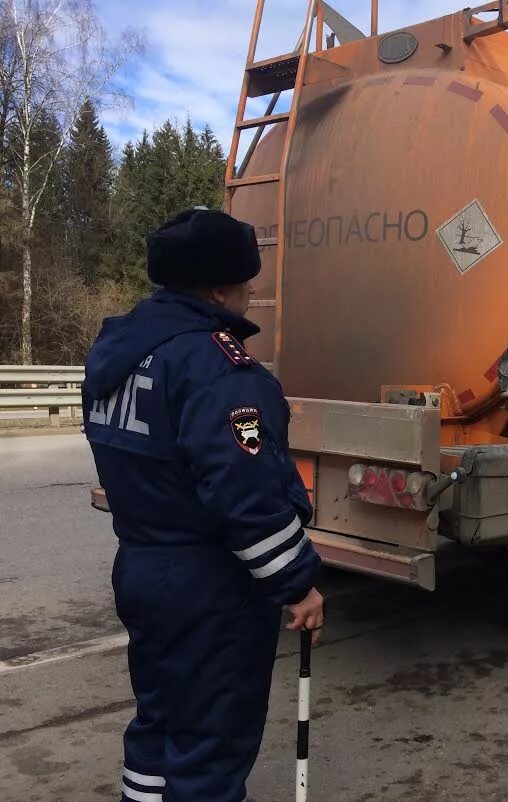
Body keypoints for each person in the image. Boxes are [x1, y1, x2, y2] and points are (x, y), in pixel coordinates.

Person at [82, 208, 324, 802]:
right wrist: (298, 584)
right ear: (220, 289)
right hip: (208, 587)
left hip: (141, 565)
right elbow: (246, 494)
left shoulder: (116, 354)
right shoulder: (217, 367)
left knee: (159, 725)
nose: (249, 296)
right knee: (211, 744)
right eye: (246, 285)